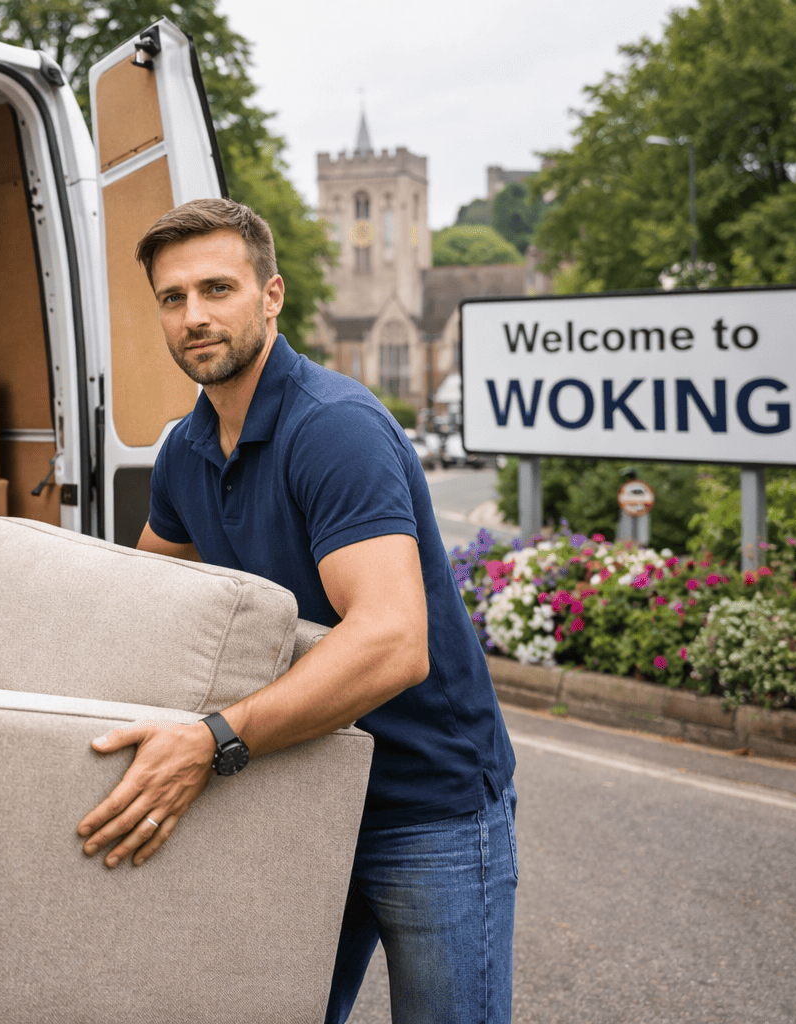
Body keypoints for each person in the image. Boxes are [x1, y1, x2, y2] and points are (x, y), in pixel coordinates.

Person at [75, 198, 518, 1024]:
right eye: (173, 299)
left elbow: (392, 644)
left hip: (425, 805)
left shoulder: (335, 430)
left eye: (217, 288)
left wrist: (210, 740)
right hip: (300, 785)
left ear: (271, 296)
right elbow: (144, 607)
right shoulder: (187, 447)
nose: (194, 316)